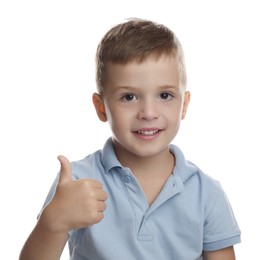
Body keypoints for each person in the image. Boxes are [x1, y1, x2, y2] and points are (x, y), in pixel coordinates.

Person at [19, 18, 241, 260]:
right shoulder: (77, 182)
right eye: (129, 97)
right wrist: (54, 222)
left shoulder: (206, 193)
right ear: (101, 107)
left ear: (184, 105)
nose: (148, 112)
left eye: (164, 95)